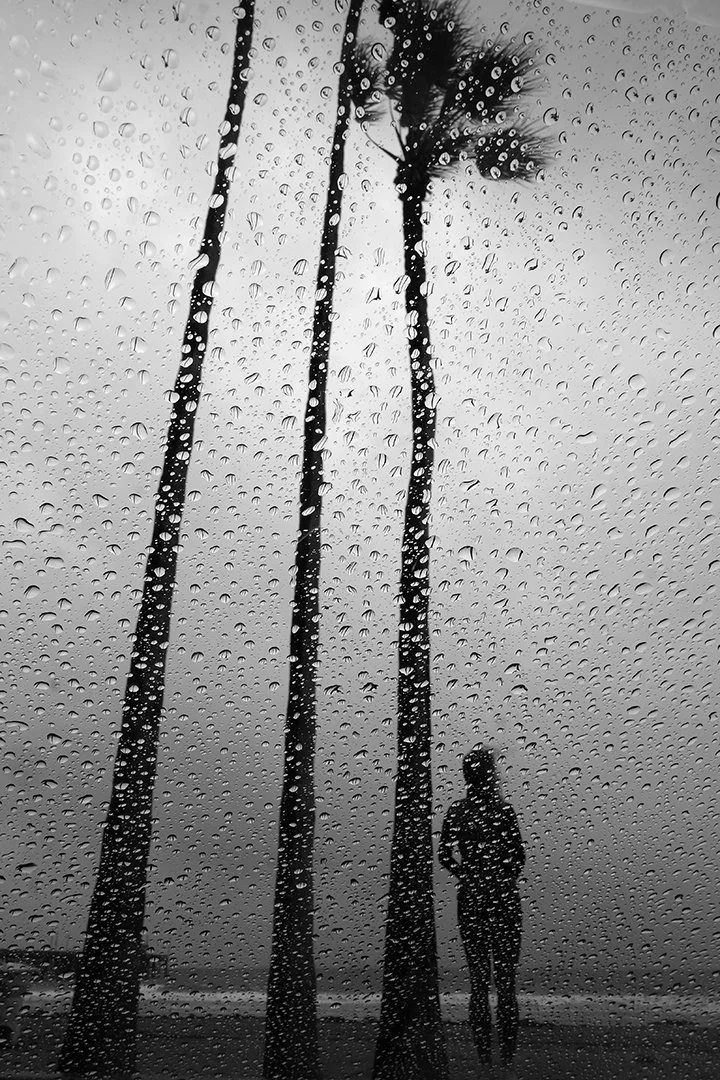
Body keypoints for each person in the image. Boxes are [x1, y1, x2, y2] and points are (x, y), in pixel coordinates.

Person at [439, 746, 525, 1071]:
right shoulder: (503, 811)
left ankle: (487, 1060)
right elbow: (519, 857)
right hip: (503, 898)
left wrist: (468, 874)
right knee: (505, 982)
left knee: (479, 983)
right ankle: (505, 1061)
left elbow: (444, 855)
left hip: (472, 897)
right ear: (490, 774)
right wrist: (501, 879)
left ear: (465, 775)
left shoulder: (457, 811)